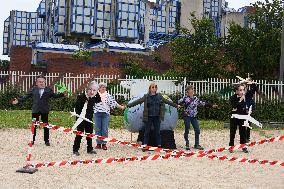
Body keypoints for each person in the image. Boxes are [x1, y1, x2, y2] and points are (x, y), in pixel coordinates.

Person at [12, 75, 65, 146]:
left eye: (43, 82)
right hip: (35, 110)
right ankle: (32, 140)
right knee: (34, 126)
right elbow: (26, 97)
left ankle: (46, 141)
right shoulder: (33, 89)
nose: (42, 83)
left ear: (45, 82)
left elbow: (55, 96)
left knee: (46, 126)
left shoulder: (48, 90)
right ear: (36, 83)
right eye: (40, 82)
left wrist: (62, 94)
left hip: (44, 110)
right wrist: (18, 100)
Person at [127, 82, 179, 150]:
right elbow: (138, 101)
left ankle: (159, 145)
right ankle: (145, 145)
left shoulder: (159, 96)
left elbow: (167, 101)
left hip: (157, 117)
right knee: (147, 131)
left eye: (155, 87)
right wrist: (128, 105)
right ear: (150, 88)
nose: (154, 88)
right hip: (148, 117)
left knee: (157, 132)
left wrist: (176, 105)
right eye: (152, 87)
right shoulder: (146, 96)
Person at [178, 85, 217, 150]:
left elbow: (203, 103)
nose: (193, 91)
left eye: (193, 89)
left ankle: (196, 144)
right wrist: (178, 105)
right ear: (187, 91)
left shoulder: (196, 98)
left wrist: (211, 105)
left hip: (194, 117)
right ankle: (187, 143)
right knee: (187, 129)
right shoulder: (184, 98)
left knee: (197, 130)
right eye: (191, 89)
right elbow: (178, 103)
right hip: (187, 116)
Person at [73, 81, 101, 156]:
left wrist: (96, 92)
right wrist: (84, 100)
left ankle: (90, 149)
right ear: (86, 89)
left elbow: (99, 100)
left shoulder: (93, 97)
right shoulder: (81, 97)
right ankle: (75, 149)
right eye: (90, 89)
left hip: (89, 119)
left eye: (94, 90)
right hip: (81, 119)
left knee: (89, 134)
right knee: (79, 134)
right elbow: (76, 108)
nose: (91, 92)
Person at [94, 82, 125, 150]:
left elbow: (114, 103)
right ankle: (98, 144)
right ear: (99, 88)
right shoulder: (95, 95)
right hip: (97, 114)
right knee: (97, 129)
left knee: (105, 129)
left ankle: (104, 144)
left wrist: (121, 107)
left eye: (105, 87)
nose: (104, 88)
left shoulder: (108, 95)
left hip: (105, 114)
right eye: (102, 87)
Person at [229, 84, 249, 153]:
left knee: (243, 132)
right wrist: (240, 100)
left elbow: (246, 106)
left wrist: (248, 110)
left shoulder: (245, 98)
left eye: (243, 90)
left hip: (242, 117)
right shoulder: (232, 98)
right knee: (232, 132)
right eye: (240, 90)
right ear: (236, 91)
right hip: (234, 117)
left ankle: (243, 146)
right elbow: (234, 106)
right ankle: (231, 146)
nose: (242, 92)